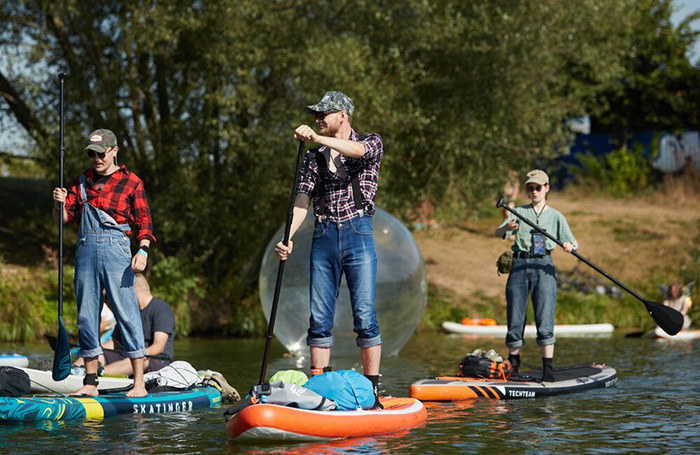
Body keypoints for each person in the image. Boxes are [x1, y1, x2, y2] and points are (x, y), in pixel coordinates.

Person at [274, 91, 384, 408]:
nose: (318, 119)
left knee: (364, 315)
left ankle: (372, 392)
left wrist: (318, 139)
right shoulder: (312, 159)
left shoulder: (370, 142)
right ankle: (320, 391)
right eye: (316, 115)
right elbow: (301, 201)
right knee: (319, 319)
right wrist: (288, 236)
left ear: (343, 116)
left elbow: (358, 150)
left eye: (324, 114)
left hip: (357, 232)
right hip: (323, 236)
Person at [52, 128, 154, 397]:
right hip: (85, 252)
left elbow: (144, 223)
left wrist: (142, 251)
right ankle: (90, 382)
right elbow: (63, 221)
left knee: (127, 313)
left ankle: (139, 383)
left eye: (100, 153)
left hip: (118, 252)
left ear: (114, 151)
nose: (95, 158)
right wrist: (59, 205)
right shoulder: (81, 182)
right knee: (86, 317)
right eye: (91, 154)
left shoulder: (132, 182)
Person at [494, 169, 578, 382]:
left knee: (544, 315)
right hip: (519, 265)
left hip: (544, 266)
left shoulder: (556, 216)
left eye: (538, 188)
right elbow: (498, 233)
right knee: (515, 316)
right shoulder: (519, 212)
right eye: (530, 188)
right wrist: (507, 226)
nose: (534, 192)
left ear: (546, 188)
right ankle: (513, 367)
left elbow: (573, 242)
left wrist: (570, 246)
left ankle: (547, 369)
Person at [73, 273, 175, 375]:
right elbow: (116, 343)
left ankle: (98, 373)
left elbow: (159, 346)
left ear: (132, 288)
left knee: (138, 360)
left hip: (155, 359)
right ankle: (73, 371)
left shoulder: (161, 309)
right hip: (126, 356)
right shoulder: (128, 312)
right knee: (95, 353)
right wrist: (96, 349)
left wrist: (140, 354)